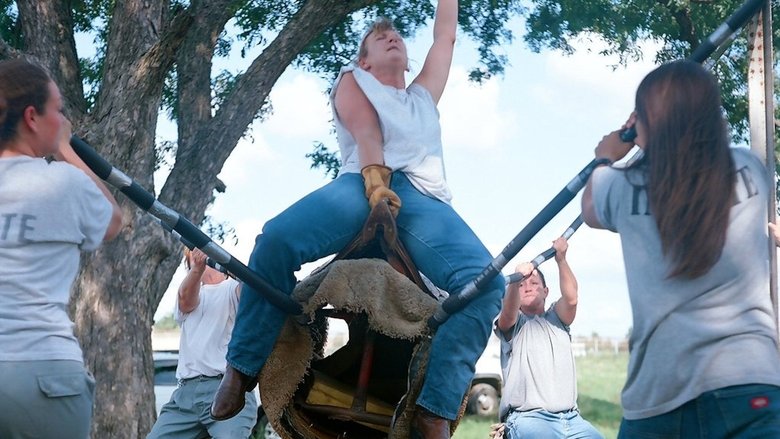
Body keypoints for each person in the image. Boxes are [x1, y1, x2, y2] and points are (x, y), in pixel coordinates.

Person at [210, 0, 505, 437]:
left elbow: (445, 35)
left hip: (424, 199)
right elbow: (367, 133)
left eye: (398, 37)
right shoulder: (354, 79)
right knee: (274, 240)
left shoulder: (423, 95)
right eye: (379, 37)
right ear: (364, 58)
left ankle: (434, 408)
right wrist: (376, 188)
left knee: (486, 284)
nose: (392, 38)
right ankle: (241, 366)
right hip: (361, 183)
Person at [581, 59, 780, 438]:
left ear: (644, 123)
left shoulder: (617, 184)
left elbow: (590, 209)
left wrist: (609, 154)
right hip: (749, 381)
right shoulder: (751, 168)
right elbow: (687, 174)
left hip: (660, 393)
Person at [0, 59, 122, 439]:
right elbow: (112, 222)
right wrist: (66, 148)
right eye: (59, 109)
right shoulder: (64, 182)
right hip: (43, 371)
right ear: (33, 117)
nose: (63, 119)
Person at [494, 237, 603, 439]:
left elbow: (571, 298)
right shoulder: (515, 324)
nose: (527, 287)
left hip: (572, 419)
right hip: (529, 418)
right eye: (522, 285)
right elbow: (507, 313)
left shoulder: (557, 320)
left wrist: (561, 259)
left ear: (546, 292)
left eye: (534, 283)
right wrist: (516, 278)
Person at [148, 248, 257, 438]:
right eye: (195, 258)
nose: (204, 260)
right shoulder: (190, 293)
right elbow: (186, 301)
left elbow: (250, 292)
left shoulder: (232, 288)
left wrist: (235, 269)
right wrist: (197, 269)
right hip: (185, 395)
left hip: (226, 389)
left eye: (207, 255)